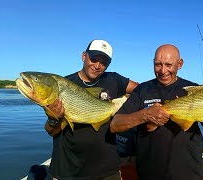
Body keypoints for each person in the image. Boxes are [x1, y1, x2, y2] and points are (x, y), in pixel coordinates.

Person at [110, 44, 203, 180]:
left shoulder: (194, 90)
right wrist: (144, 115)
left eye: (168, 65)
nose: (163, 71)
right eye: (158, 64)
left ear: (180, 64)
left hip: (190, 173)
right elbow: (115, 124)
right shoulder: (142, 90)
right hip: (149, 174)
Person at [44, 39, 138, 179]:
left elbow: (141, 91)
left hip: (107, 170)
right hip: (70, 170)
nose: (97, 66)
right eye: (94, 59)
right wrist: (53, 119)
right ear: (84, 56)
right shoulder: (63, 86)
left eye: (103, 62)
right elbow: (52, 132)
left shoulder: (114, 79)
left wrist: (125, 105)